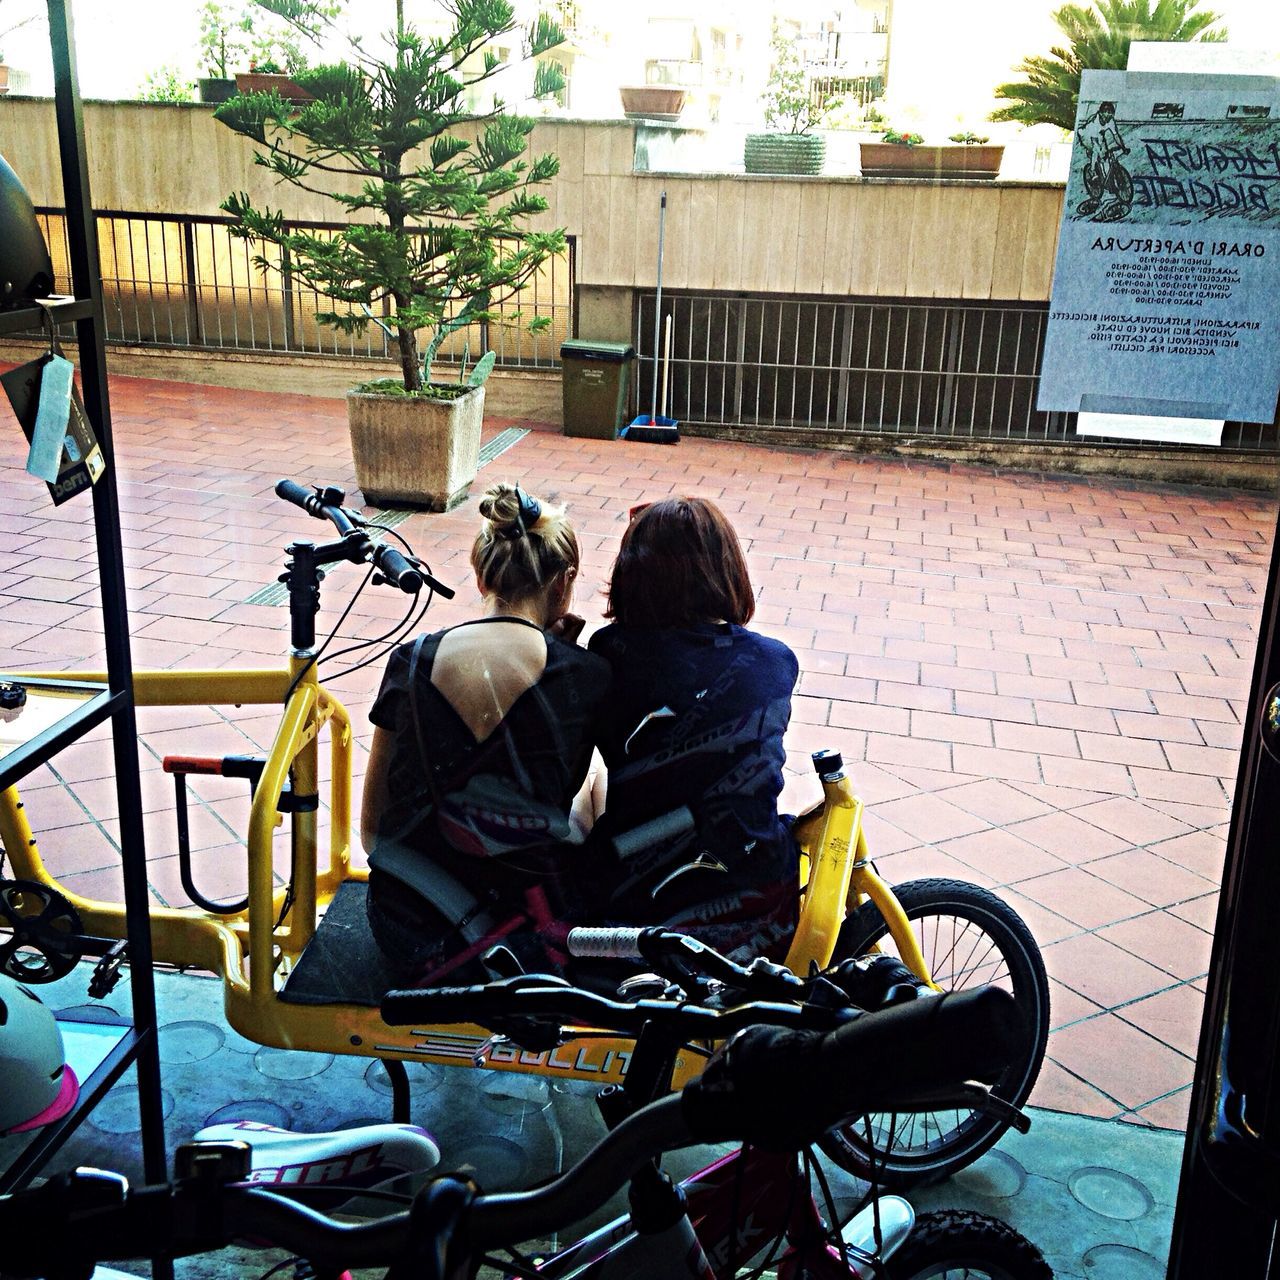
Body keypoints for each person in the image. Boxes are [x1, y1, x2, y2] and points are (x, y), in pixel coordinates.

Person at [361, 482, 611, 983]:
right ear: (565, 582)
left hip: (411, 930)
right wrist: (565, 658)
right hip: (528, 936)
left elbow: (372, 833)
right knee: (596, 790)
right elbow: (564, 810)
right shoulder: (586, 676)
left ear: (480, 576)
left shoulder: (411, 662)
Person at [587, 497, 801, 961]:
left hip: (634, 895)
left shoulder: (606, 654)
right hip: (757, 897)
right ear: (727, 570)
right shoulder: (774, 661)